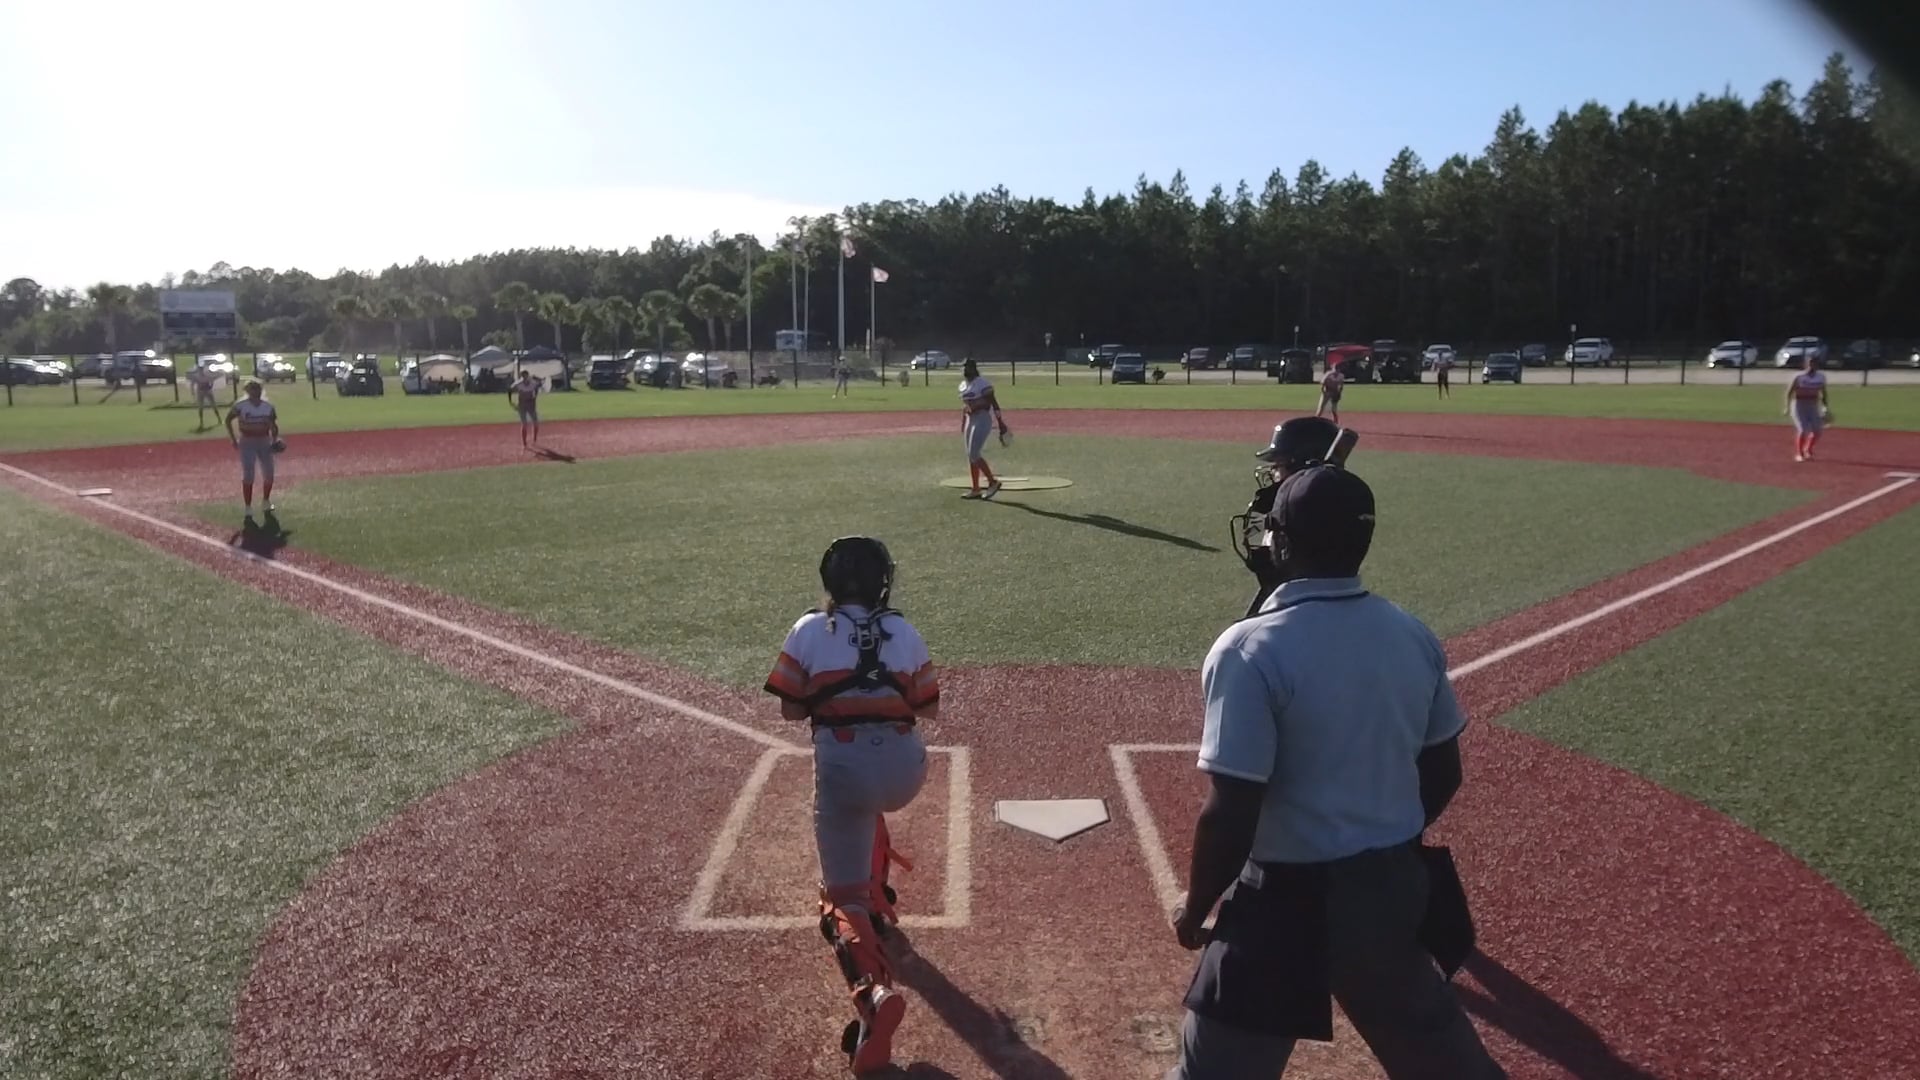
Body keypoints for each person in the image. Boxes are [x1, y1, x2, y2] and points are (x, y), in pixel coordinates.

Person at [1168, 465, 1505, 1080]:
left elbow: (1233, 809)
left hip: (1283, 906)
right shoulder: (1411, 633)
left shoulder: (1248, 649)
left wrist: (1196, 909)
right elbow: (1443, 770)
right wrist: (1375, 835)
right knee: (1445, 1064)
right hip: (1393, 887)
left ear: (1283, 544)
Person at [762, 537, 941, 1075]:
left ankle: (872, 998)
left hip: (844, 770)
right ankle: (877, 893)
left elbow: (792, 711)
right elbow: (927, 707)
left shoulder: (808, 629)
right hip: (905, 773)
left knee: (840, 899)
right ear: (883, 583)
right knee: (872, 798)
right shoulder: (904, 631)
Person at [224, 380, 280, 522]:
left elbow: (273, 425)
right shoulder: (240, 406)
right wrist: (233, 439)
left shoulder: (268, 406)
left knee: (269, 473)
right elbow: (228, 420)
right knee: (248, 473)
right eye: (252, 389)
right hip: (247, 440)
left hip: (264, 440)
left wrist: (274, 440)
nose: (256, 391)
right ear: (247, 391)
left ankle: (266, 500)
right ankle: (248, 506)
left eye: (257, 388)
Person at [957, 358, 1010, 500]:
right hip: (970, 419)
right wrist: (963, 421)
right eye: (964, 367)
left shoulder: (983, 384)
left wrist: (1001, 423)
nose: (965, 370)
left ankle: (992, 482)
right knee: (970, 456)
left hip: (982, 418)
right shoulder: (963, 385)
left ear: (974, 368)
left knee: (974, 453)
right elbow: (966, 406)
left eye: (968, 367)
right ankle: (975, 489)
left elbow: (993, 403)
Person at [1785, 355, 1830, 462]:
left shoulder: (1821, 377)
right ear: (1805, 364)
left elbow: (1823, 392)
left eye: (1814, 363)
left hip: (1812, 405)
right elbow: (1789, 392)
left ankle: (1808, 449)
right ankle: (1799, 454)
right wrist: (1787, 407)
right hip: (1798, 404)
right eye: (1809, 363)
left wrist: (1825, 407)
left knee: (1817, 430)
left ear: (1817, 365)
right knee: (1803, 429)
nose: (1811, 365)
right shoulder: (1799, 376)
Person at [510, 370, 542, 448]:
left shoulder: (532, 383)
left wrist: (535, 397)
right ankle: (524, 442)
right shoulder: (519, 384)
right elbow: (510, 389)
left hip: (531, 404)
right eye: (523, 376)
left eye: (526, 376)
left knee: (535, 422)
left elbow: (537, 386)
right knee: (524, 423)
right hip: (522, 404)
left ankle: (534, 439)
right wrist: (511, 402)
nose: (525, 378)